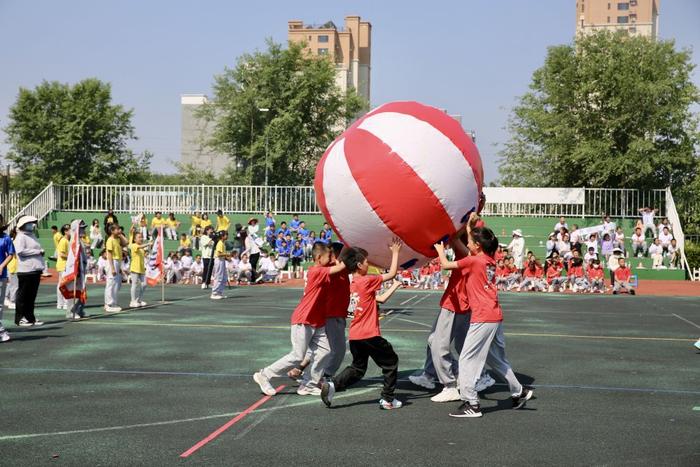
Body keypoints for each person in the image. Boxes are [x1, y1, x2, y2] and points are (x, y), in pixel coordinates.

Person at [433, 217, 533, 418]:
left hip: (483, 317)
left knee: (467, 358)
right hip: (495, 316)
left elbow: (445, 264)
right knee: (495, 359)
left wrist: (439, 247)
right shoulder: (488, 260)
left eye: (470, 241)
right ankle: (518, 390)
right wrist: (470, 226)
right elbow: (472, 245)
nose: (467, 242)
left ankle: (472, 403)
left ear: (477, 246)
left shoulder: (473, 260)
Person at [254, 242, 346, 397]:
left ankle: (308, 385)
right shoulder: (317, 270)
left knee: (325, 351)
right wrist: (349, 255)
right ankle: (264, 375)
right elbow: (339, 267)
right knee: (297, 355)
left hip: (317, 320)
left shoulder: (323, 267)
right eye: (328, 256)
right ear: (318, 257)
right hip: (304, 318)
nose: (331, 258)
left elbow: (335, 266)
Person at [320, 240, 403, 409]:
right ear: (359, 265)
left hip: (355, 335)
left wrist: (393, 288)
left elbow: (378, 299)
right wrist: (395, 252)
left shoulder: (352, 285)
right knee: (391, 362)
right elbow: (392, 273)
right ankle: (388, 398)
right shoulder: (366, 281)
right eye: (366, 261)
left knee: (358, 368)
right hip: (369, 335)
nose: (368, 264)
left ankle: (333, 385)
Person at [13, 215, 46, 327]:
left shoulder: (32, 235)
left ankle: (30, 317)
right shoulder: (20, 236)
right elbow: (20, 251)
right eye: (29, 223)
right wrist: (38, 252)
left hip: (35, 269)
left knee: (31, 296)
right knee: (23, 295)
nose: (32, 225)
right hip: (25, 270)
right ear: (23, 224)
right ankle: (20, 318)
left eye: (33, 222)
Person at [104, 224, 128, 312]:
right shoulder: (110, 240)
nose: (119, 231)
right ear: (112, 231)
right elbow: (109, 254)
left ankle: (113, 303)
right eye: (117, 229)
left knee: (116, 284)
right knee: (110, 283)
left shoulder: (117, 239)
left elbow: (126, 242)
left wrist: (120, 235)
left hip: (118, 261)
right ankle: (108, 304)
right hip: (112, 262)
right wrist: (112, 268)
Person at [0, 215, 15, 342]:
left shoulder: (5, 238)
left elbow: (11, 254)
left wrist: (2, 265)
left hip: (1, 276)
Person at [129, 232, 150, 308]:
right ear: (134, 239)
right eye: (139, 237)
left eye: (141, 237)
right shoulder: (134, 246)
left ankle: (139, 300)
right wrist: (148, 244)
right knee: (134, 284)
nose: (141, 238)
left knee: (144, 284)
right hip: (134, 268)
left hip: (141, 268)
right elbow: (139, 247)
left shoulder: (142, 249)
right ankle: (132, 301)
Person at [55, 224, 71, 312]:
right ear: (65, 231)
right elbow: (61, 254)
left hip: (65, 265)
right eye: (69, 230)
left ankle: (61, 303)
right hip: (63, 265)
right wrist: (71, 257)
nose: (71, 231)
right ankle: (63, 303)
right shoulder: (63, 241)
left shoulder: (68, 240)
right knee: (63, 284)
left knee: (62, 284)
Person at [211, 231, 229, 299]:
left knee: (224, 277)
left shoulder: (223, 243)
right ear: (222, 236)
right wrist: (227, 254)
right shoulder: (220, 243)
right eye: (226, 235)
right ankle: (214, 293)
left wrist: (226, 257)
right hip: (219, 260)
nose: (227, 236)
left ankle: (219, 292)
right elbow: (218, 254)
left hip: (222, 260)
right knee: (218, 276)